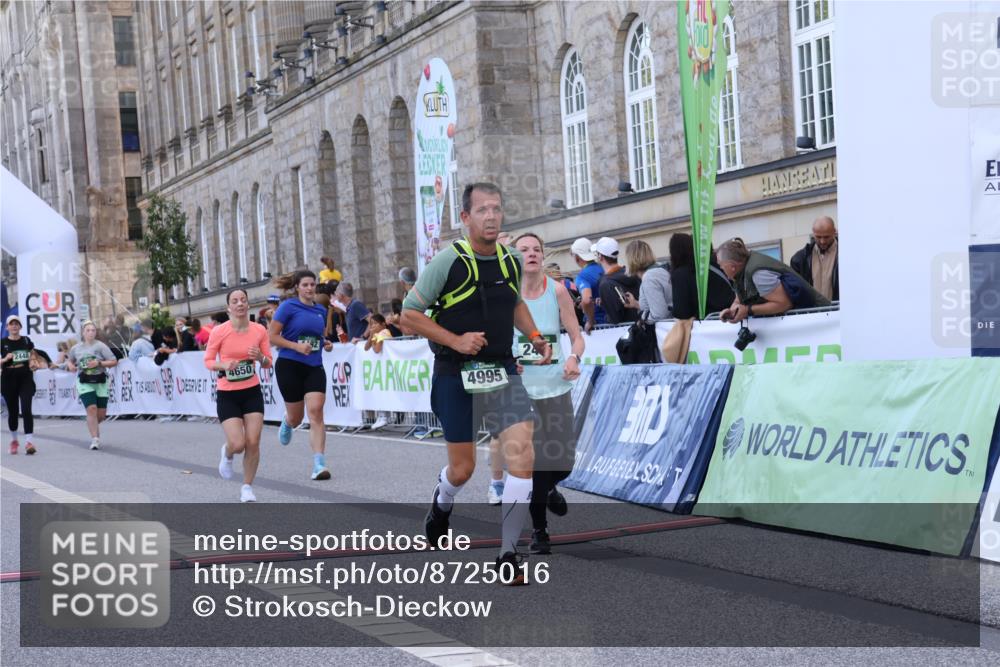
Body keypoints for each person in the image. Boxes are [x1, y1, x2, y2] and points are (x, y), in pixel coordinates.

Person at [401, 182, 552, 583]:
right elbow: (408, 314)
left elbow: (515, 303)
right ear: (465, 218)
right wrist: (456, 340)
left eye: (497, 209)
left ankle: (508, 554)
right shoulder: (447, 262)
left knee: (522, 456)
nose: (491, 216)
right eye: (482, 210)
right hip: (455, 372)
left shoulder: (511, 260)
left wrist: (535, 337)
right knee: (463, 469)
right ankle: (442, 501)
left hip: (501, 370)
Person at [508, 232, 585, 554]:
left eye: (536, 249)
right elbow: (496, 339)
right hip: (521, 391)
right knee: (535, 463)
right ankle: (540, 531)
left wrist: (573, 357)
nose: (531, 254)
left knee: (563, 461)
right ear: (515, 258)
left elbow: (577, 337)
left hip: (554, 387)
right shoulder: (507, 297)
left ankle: (552, 485)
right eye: (524, 250)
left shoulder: (557, 292)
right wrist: (509, 360)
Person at [205, 288, 274, 503]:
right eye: (235, 301)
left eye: (243, 300)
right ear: (228, 308)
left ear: (248, 304)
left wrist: (260, 357)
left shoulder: (259, 330)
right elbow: (207, 361)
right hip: (228, 393)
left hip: (251, 391)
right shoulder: (219, 331)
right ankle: (227, 452)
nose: (240, 304)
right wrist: (223, 364)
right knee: (238, 444)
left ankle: (247, 487)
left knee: (253, 442)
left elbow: (268, 362)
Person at [268, 270, 334, 481]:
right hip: (289, 364)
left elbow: (318, 337)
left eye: (312, 284)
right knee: (297, 417)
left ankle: (319, 464)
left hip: (314, 365)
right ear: (297, 287)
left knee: (316, 412)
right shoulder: (288, 307)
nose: (309, 288)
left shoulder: (321, 310)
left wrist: (326, 343)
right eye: (305, 285)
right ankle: (288, 422)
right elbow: (272, 337)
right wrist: (296, 346)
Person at [717, 238, 831, 323]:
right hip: (811, 318)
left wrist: (748, 310)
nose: (721, 269)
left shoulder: (758, 274)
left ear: (732, 266)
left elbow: (783, 304)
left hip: (819, 318)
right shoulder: (741, 272)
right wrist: (732, 312)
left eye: (721, 266)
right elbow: (739, 300)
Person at [66, 321, 118, 450]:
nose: (90, 333)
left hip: (100, 381)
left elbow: (114, 361)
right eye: (88, 330)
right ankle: (95, 439)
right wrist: (70, 365)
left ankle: (92, 422)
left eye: (93, 330)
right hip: (84, 381)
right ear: (83, 333)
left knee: (101, 414)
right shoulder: (76, 348)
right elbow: (70, 360)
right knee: (91, 409)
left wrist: (99, 363)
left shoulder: (101, 346)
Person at [668, 233, 735, 319]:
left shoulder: (681, 274)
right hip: (732, 316)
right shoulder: (714, 265)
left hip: (706, 325)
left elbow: (682, 312)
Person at [1, 314, 38, 454]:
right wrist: (5, 359)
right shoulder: (2, 342)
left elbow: (33, 353)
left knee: (26, 408)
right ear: (7, 327)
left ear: (20, 326)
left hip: (25, 377)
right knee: (13, 412)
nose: (14, 326)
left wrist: (33, 361)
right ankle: (14, 440)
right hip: (8, 378)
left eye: (17, 324)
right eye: (11, 324)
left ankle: (29, 442)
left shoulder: (26, 340)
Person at [791, 216, 839, 302]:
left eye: (826, 237)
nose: (822, 241)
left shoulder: (847, 254)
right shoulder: (799, 259)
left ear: (834, 232)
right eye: (818, 237)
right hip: (812, 314)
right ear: (813, 233)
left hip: (841, 312)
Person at [621, 239, 672, 320]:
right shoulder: (659, 270)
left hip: (665, 330)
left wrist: (642, 321)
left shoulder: (649, 277)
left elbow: (659, 315)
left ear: (631, 259)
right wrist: (635, 304)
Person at [594, 236, 641, 324]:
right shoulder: (631, 273)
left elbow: (615, 319)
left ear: (600, 257)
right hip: (643, 327)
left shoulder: (605, 284)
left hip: (627, 334)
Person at [570, 237, 605, 333]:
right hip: (611, 321)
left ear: (577, 257)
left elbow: (586, 300)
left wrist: (590, 321)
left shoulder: (582, 276)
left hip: (597, 325)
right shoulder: (603, 267)